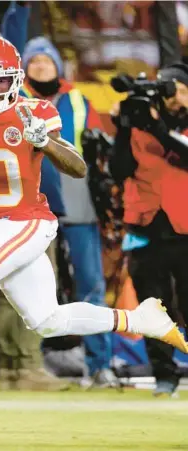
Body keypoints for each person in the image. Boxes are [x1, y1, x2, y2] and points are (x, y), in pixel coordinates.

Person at [0, 34, 188, 420]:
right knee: (47, 320)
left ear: (15, 78)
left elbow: (77, 166)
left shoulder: (34, 112)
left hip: (26, 220)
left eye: (1, 81)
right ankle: (140, 319)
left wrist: (45, 142)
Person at [14, 36, 117, 387]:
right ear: (24, 67)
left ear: (58, 65)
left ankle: (99, 364)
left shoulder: (78, 99)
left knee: (91, 283)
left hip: (78, 198)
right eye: (34, 61)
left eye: (47, 60)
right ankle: (36, 365)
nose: (41, 66)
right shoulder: (15, 99)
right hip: (32, 199)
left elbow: (98, 150)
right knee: (36, 286)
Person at [109, 62, 188, 396]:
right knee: (154, 307)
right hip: (145, 225)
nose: (173, 96)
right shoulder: (141, 122)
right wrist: (125, 128)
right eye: (169, 88)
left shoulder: (164, 127)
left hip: (185, 227)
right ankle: (164, 375)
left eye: (180, 88)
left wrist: (156, 129)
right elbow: (119, 168)